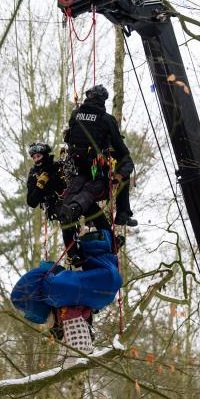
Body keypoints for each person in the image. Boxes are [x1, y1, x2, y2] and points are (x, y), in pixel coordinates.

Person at [59, 84, 136, 264]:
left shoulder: (75, 114)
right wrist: (116, 175)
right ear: (102, 100)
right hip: (96, 171)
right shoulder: (106, 119)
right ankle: (121, 215)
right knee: (87, 196)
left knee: (72, 204)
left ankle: (73, 253)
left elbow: (69, 139)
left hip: (77, 169)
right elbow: (122, 151)